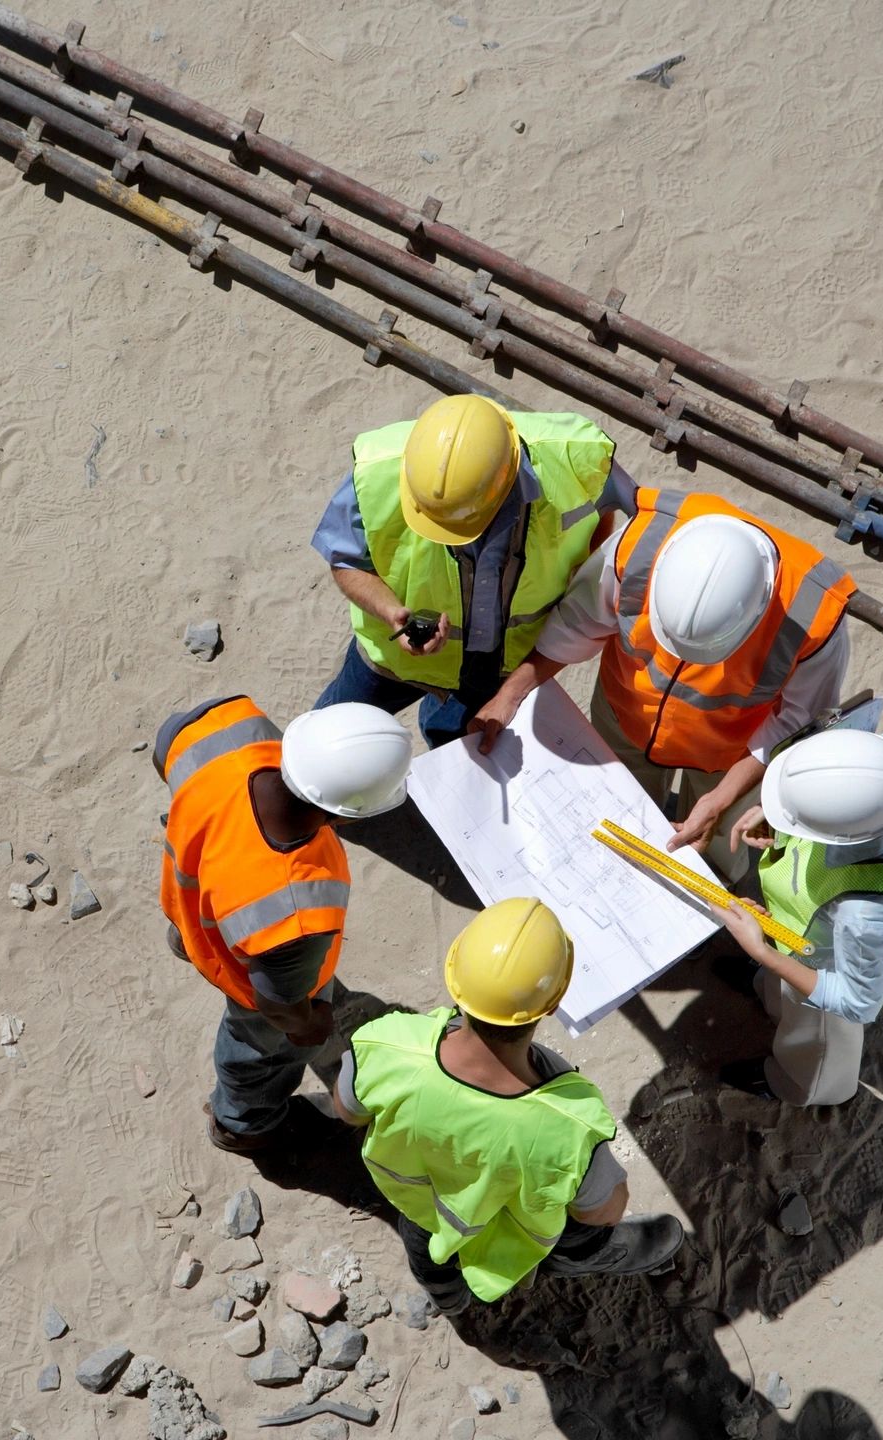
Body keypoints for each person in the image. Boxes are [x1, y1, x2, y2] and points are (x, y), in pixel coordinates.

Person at [470, 489, 855, 879]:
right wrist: (510, 693)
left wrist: (721, 799)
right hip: (623, 719)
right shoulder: (639, 548)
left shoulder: (813, 616)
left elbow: (798, 723)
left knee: (710, 855)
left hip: (728, 759)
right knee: (618, 825)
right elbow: (577, 624)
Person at [330, 898, 685, 1312]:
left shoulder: (387, 1043)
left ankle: (449, 1301)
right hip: (513, 1231)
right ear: (551, 1003)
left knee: (430, 1256)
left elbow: (347, 1109)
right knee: (575, 1237)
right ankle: (574, 1259)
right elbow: (605, 1210)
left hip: (424, 1208)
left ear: (456, 976)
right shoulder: (568, 1121)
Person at [156, 696, 414, 1153]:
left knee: (203, 935)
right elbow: (275, 1004)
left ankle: (188, 944)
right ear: (341, 814)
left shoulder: (233, 727)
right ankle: (243, 1122)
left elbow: (165, 751)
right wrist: (308, 1025)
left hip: (194, 907)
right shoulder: (295, 911)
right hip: (257, 971)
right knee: (259, 1053)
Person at [312, 394, 625, 749]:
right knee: (323, 741)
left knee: (454, 744)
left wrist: (580, 573)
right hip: (394, 655)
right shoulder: (376, 473)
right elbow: (345, 559)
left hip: (499, 659)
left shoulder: (575, 459)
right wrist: (389, 612)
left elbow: (600, 517)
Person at [707, 728, 883, 1107]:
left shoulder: (865, 915)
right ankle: (767, 988)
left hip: (824, 959)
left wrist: (763, 951)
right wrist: (783, 816)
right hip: (798, 927)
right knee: (780, 985)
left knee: (817, 1035)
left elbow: (858, 1002)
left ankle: (798, 1084)